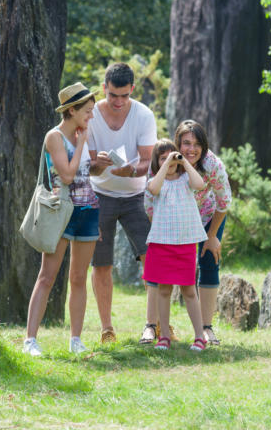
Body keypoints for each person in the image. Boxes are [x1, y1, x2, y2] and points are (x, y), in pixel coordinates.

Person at [23, 82, 99, 356]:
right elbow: (66, 175)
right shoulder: (54, 137)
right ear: (72, 110)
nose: (91, 116)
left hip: (88, 210)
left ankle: (76, 340)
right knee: (47, 276)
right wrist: (81, 145)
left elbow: (81, 172)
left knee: (78, 277)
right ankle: (30, 340)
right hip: (61, 211)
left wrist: (98, 160)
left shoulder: (79, 136)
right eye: (87, 111)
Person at [87, 62, 158, 343]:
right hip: (100, 194)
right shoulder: (90, 115)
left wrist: (132, 170)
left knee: (151, 256)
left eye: (124, 96)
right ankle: (107, 328)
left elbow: (147, 161)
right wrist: (98, 164)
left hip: (135, 195)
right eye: (112, 95)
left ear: (132, 90)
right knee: (101, 263)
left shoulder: (143, 115)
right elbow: (89, 167)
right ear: (104, 88)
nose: (118, 102)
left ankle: (154, 324)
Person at [143, 139, 207, 351]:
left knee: (189, 290)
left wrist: (183, 162)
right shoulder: (156, 181)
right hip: (162, 243)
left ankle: (200, 336)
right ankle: (164, 336)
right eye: (163, 158)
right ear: (157, 162)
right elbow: (153, 189)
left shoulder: (186, 180)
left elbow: (200, 185)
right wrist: (164, 165)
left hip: (185, 243)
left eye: (172, 156)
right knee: (163, 290)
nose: (169, 160)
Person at [173, 119, 232, 345]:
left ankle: (207, 328)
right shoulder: (169, 161)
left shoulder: (212, 165)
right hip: (177, 219)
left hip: (208, 217)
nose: (191, 149)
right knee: (168, 269)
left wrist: (212, 235)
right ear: (178, 143)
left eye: (197, 144)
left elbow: (224, 200)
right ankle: (157, 325)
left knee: (209, 263)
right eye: (186, 143)